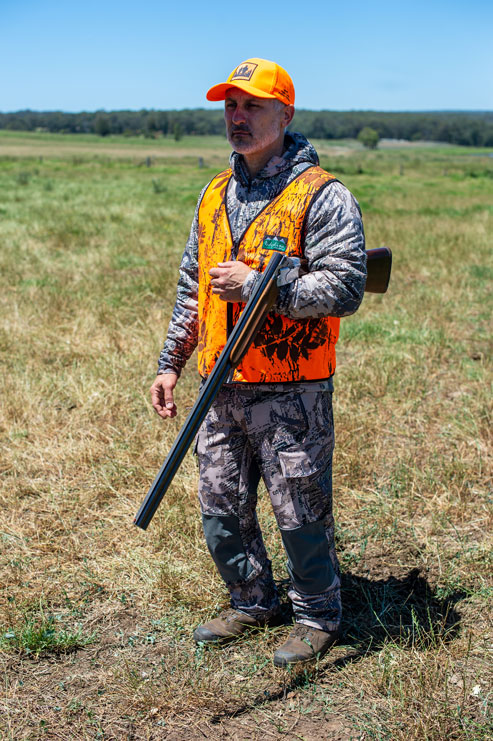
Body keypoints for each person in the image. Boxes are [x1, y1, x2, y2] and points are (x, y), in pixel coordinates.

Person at [150, 58, 366, 667]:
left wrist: (265, 284)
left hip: (292, 389)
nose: (237, 117)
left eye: (251, 105)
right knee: (220, 507)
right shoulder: (215, 193)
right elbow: (194, 284)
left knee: (299, 509)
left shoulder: (322, 195)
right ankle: (251, 601)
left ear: (285, 113)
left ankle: (318, 615)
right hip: (219, 385)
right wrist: (170, 363)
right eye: (230, 106)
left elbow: (346, 286)